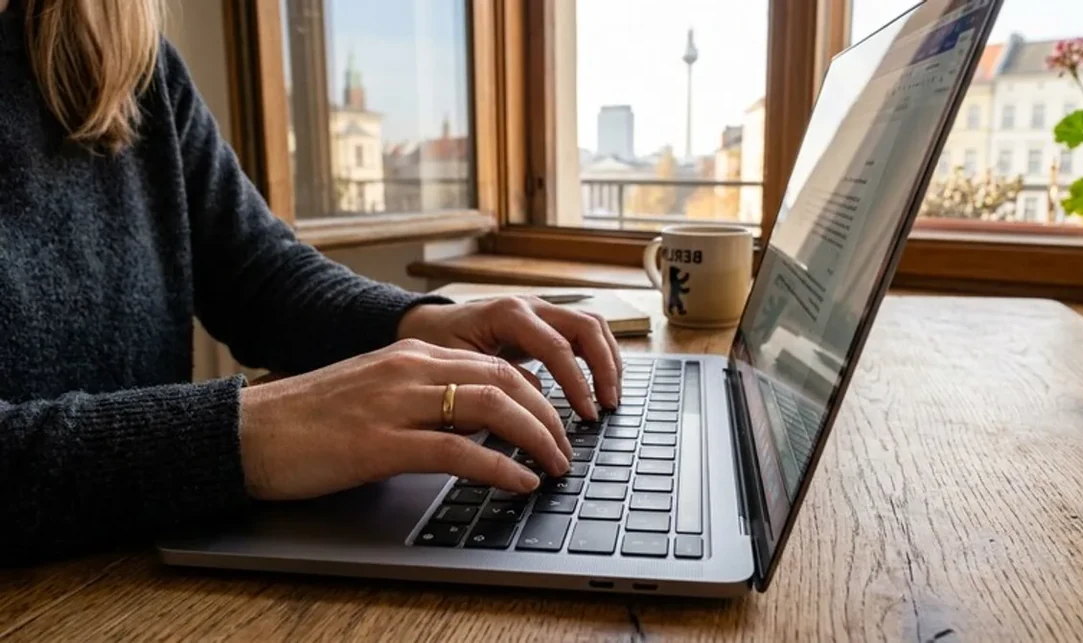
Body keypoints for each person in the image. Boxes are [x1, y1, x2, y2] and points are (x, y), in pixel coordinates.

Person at [0, 0, 620, 563]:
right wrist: (248, 432)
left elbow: (259, 275)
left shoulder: (128, 57)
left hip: (145, 563)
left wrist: (416, 321)